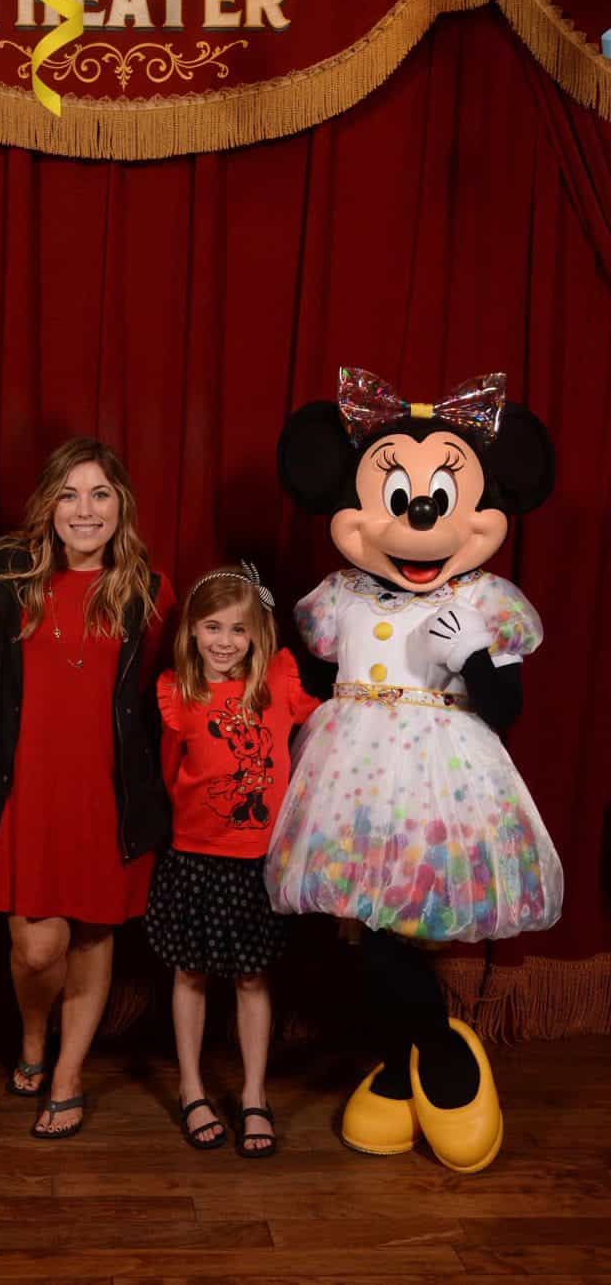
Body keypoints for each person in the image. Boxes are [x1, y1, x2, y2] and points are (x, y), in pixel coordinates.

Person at [268, 367, 562, 1174]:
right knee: (366, 934)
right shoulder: (340, 599)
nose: (421, 520)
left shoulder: (487, 601)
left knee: (396, 937)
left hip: (442, 779)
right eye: (399, 499)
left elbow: (505, 711)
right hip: (353, 778)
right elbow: (315, 683)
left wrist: (469, 652)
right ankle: (408, 1062)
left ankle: (435, 1055)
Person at [0, 437, 174, 1139]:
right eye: (69, 494)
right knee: (36, 950)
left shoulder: (147, 589)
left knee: (91, 940)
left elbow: (150, 691)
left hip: (107, 794)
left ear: (122, 506)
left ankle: (67, 1074)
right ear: (47, 505)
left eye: (100, 494)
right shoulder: (1, 578)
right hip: (22, 790)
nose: (84, 510)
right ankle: (34, 1036)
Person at [144, 563, 319, 1158]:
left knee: (251, 977)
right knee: (190, 974)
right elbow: (170, 774)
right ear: (192, 631)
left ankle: (253, 1095)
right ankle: (193, 1088)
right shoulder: (177, 692)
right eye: (212, 627)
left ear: (258, 636)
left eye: (238, 630)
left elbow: (327, 726)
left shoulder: (278, 680)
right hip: (196, 856)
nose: (224, 641)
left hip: (258, 860)